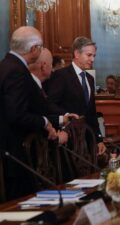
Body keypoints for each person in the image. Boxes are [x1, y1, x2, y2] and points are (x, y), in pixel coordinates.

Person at [0, 26, 58, 200]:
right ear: (34, 49)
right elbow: (16, 113)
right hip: (17, 151)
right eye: (40, 47)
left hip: (12, 149)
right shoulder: (16, 71)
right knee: (20, 202)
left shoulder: (6, 65)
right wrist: (44, 122)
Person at [45, 36, 106, 155]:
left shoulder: (89, 79)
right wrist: (66, 115)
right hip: (68, 140)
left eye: (94, 56)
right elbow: (50, 104)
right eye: (89, 55)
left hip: (87, 141)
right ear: (77, 54)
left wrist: (99, 139)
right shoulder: (61, 75)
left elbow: (92, 113)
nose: (92, 59)